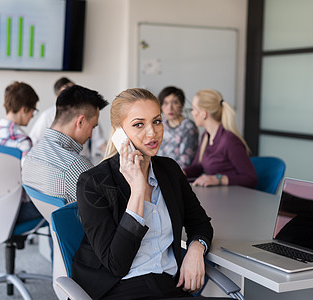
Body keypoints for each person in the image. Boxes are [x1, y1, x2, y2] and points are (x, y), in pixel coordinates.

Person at [72, 88, 218, 300]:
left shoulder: (169, 170)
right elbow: (116, 264)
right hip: (119, 287)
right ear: (118, 132)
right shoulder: (94, 183)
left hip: (168, 284)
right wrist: (139, 190)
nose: (152, 133)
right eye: (139, 124)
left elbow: (201, 223)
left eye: (157, 121)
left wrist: (196, 249)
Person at [22, 85, 108, 202]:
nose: (91, 135)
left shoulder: (32, 154)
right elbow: (109, 209)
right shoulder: (76, 166)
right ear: (81, 121)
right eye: (92, 127)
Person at [0, 81, 42, 223]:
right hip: (14, 210)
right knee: (58, 210)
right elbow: (31, 182)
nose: (33, 115)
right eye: (33, 110)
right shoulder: (22, 141)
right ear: (24, 109)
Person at [183, 89, 257, 188]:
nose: (192, 113)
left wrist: (219, 179)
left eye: (193, 109)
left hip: (232, 198)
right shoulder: (206, 136)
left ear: (204, 113)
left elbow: (251, 179)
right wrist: (180, 173)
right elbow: (198, 167)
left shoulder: (229, 141)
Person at [29, 77, 107, 164]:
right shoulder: (47, 116)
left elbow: (100, 141)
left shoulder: (90, 115)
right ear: (58, 98)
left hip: (84, 161)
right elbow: (33, 141)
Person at [157, 86, 198, 169]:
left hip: (178, 173)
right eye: (165, 103)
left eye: (175, 102)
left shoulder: (188, 127)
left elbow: (185, 161)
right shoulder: (161, 124)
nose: (170, 108)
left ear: (182, 105)